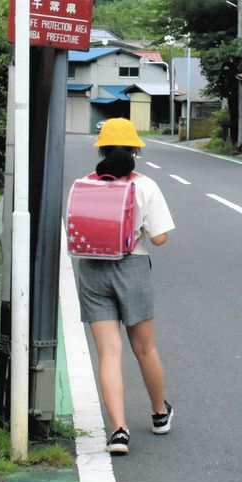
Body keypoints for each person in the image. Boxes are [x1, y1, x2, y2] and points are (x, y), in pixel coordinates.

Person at [75, 118, 175, 455]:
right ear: (135, 149)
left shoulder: (84, 183)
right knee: (145, 348)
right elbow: (160, 238)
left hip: (91, 269)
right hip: (131, 267)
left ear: (101, 149)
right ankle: (160, 414)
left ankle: (119, 430)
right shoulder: (144, 186)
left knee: (108, 354)